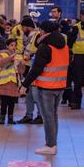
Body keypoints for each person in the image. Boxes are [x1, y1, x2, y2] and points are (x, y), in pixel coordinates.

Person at [20, 21, 69, 155]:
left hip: (47, 87)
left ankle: (50, 145)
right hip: (60, 86)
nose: (39, 33)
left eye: (41, 30)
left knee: (48, 116)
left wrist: (24, 84)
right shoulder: (64, 45)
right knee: (53, 115)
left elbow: (36, 69)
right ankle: (52, 143)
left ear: (45, 32)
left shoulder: (45, 47)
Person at [17, 18, 43, 125]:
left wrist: (31, 56)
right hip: (28, 68)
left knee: (36, 94)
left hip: (34, 69)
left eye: (23, 27)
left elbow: (41, 51)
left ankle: (40, 115)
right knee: (28, 94)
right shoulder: (28, 37)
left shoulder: (37, 36)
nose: (22, 30)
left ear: (28, 26)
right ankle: (29, 115)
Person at [0, 39, 26, 125]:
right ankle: (2, 118)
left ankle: (10, 118)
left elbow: (21, 71)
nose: (13, 47)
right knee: (4, 102)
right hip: (4, 82)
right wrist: (10, 58)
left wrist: (22, 64)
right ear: (7, 46)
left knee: (12, 102)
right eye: (11, 45)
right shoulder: (2, 54)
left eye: (15, 45)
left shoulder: (18, 56)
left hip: (14, 82)